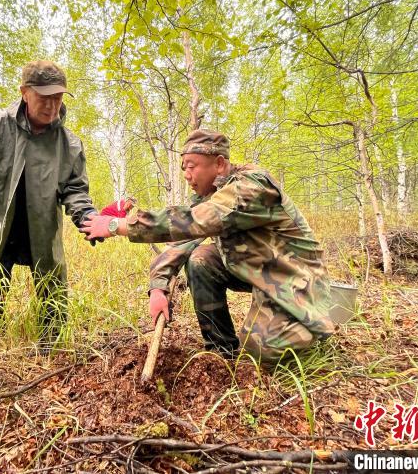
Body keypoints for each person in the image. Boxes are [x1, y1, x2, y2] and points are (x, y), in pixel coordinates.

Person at [80, 129, 338, 365]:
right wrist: (158, 287)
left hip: (293, 277)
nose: (186, 175)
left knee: (262, 354)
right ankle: (221, 350)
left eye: (192, 166)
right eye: (183, 167)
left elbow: (194, 220)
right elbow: (182, 240)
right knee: (200, 259)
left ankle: (310, 325)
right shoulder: (212, 194)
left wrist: (118, 226)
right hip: (259, 269)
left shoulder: (252, 186)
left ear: (219, 164)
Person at [0, 60, 101, 348]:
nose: (52, 106)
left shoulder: (68, 143)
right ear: (24, 92)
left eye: (57, 98)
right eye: (45, 98)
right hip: (1, 225)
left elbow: (75, 189)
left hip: (43, 228)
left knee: (52, 287)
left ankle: (51, 347)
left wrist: (86, 216)